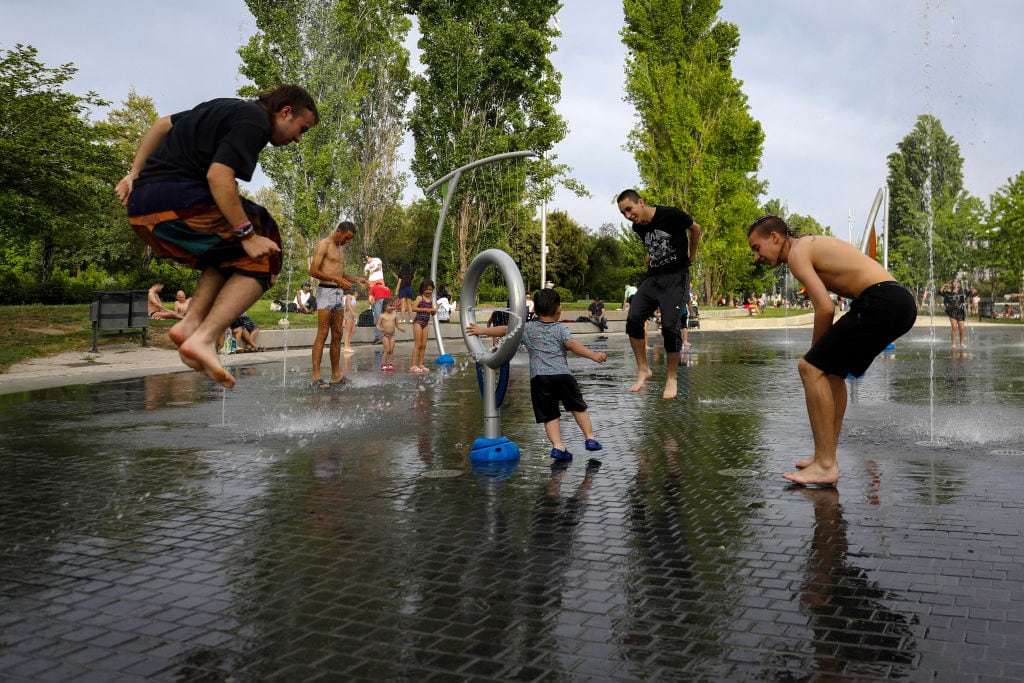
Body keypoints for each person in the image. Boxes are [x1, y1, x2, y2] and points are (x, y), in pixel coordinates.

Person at [117, 84, 319, 388]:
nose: (299, 139)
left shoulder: (226, 107)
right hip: (178, 202)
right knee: (267, 245)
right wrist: (247, 234)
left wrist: (134, 173)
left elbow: (161, 125)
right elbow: (219, 175)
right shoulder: (254, 121)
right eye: (301, 128)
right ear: (285, 112)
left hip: (143, 206)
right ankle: (206, 337)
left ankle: (189, 328)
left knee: (229, 255)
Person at [747, 215, 917, 486]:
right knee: (833, 375)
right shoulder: (807, 247)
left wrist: (814, 356)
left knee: (810, 368)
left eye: (757, 248)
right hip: (896, 302)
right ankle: (824, 457)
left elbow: (825, 307)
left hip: (883, 301)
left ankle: (826, 465)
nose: (756, 256)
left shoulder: (797, 253)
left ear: (775, 238)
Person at [467, 288, 607, 462]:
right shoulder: (561, 329)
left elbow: (504, 329)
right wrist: (593, 355)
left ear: (533, 311)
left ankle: (558, 446)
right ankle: (590, 437)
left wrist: (481, 331)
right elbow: (572, 345)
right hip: (562, 376)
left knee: (549, 414)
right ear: (559, 309)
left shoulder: (527, 328)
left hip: (540, 379)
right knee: (578, 406)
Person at [616, 189, 703, 399]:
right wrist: (650, 255)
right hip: (654, 277)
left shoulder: (671, 215)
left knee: (671, 327)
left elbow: (696, 229)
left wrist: (691, 256)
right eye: (623, 213)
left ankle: (672, 377)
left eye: (629, 209)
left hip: (676, 277)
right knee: (634, 318)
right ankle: (643, 369)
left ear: (641, 202)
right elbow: (654, 243)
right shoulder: (638, 227)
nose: (628, 216)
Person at [309, 221, 368, 389]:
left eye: (350, 240)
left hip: (337, 293)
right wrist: (336, 280)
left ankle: (336, 375)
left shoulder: (340, 249)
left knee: (337, 334)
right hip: (325, 292)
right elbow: (313, 271)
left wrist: (357, 279)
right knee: (323, 333)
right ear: (339, 231)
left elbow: (339, 274)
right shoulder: (324, 245)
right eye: (347, 238)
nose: (347, 242)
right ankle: (316, 377)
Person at [410, 280, 437, 372]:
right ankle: (413, 366)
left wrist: (434, 311)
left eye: (430, 289)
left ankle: (420, 364)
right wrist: (426, 309)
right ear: (422, 289)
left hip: (425, 324)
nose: (429, 291)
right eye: (427, 289)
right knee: (418, 344)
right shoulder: (420, 298)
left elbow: (432, 313)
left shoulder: (430, 300)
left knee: (424, 345)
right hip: (418, 322)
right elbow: (413, 308)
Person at [940, 279, 971, 347]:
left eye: (957, 282)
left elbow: (971, 293)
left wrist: (973, 290)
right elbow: (941, 292)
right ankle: (953, 343)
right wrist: (944, 285)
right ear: (952, 283)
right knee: (954, 327)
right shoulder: (948, 292)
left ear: (959, 284)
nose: (955, 283)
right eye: (954, 282)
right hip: (952, 311)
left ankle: (961, 343)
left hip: (960, 311)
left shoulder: (962, 291)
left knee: (962, 328)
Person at [375, 298, 404, 371]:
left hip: (392, 335)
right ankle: (383, 365)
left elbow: (397, 325)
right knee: (387, 350)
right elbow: (377, 325)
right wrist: (380, 329)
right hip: (385, 336)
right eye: (390, 306)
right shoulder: (382, 316)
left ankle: (390, 364)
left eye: (393, 306)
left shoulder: (394, 315)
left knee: (391, 350)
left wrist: (401, 329)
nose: (392, 307)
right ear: (385, 306)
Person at [368, 279, 392, 344]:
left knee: (378, 320)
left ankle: (378, 338)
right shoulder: (387, 288)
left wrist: (374, 305)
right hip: (388, 302)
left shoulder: (373, 287)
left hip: (379, 301)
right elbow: (390, 300)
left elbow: (370, 300)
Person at [343, 290, 358, 354]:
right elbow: (347, 306)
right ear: (354, 291)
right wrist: (352, 313)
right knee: (348, 331)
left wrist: (354, 315)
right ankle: (346, 347)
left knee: (353, 330)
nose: (358, 293)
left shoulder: (353, 297)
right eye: (357, 292)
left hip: (352, 315)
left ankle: (348, 343)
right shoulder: (348, 296)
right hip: (349, 315)